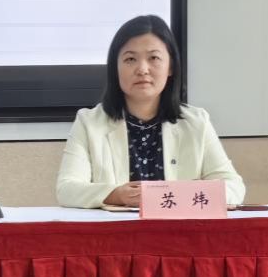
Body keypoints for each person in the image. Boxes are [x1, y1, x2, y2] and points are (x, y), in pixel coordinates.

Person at [56, 14, 245, 208]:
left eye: (154, 58)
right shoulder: (89, 122)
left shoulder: (197, 122)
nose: (142, 69)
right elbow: (67, 189)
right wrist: (115, 195)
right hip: (117, 227)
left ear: (170, 67)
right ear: (115, 69)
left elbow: (234, 188)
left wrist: (185, 194)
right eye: (130, 59)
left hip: (179, 227)